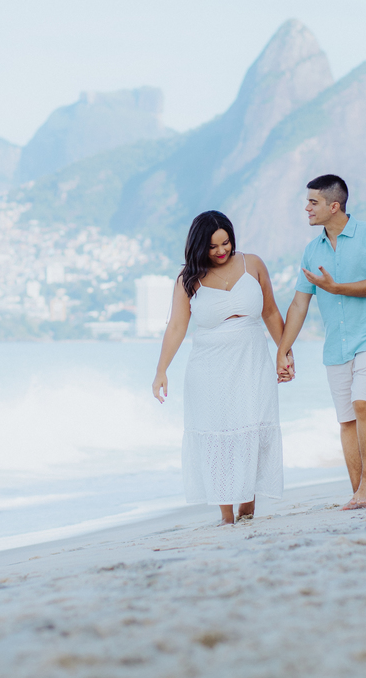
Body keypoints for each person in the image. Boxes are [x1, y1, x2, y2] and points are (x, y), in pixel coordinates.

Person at [152, 211, 288, 525]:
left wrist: (285, 352)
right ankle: (226, 516)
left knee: (251, 429)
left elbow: (270, 312)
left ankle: (247, 508)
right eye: (213, 246)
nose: (221, 251)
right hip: (209, 369)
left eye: (225, 242)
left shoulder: (252, 264)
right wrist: (161, 370)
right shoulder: (189, 279)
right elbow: (176, 327)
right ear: (200, 246)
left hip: (252, 362)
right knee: (220, 436)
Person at [275, 175, 366, 510]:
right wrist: (283, 349)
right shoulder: (312, 250)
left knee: (362, 404)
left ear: (334, 205)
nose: (307, 208)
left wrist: (337, 288)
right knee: (346, 419)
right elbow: (300, 303)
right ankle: (358, 490)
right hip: (336, 345)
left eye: (313, 202)